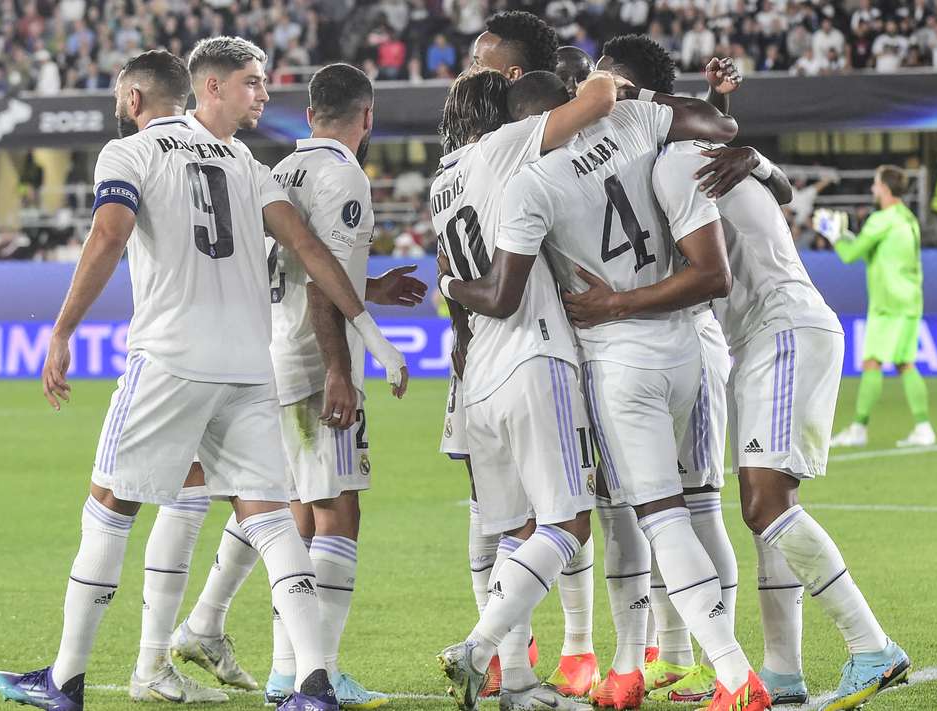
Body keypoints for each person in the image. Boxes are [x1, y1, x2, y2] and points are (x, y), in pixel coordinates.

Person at [0, 44, 408, 711]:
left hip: (170, 360)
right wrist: (374, 336)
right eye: (253, 83)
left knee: (109, 508)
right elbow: (307, 247)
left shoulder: (128, 153)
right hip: (249, 367)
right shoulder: (246, 164)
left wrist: (62, 329)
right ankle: (312, 684)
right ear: (195, 91)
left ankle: (65, 679)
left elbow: (109, 236)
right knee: (271, 520)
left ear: (132, 100)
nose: (261, 94)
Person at [500, 44, 773, 711]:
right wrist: (639, 97)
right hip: (683, 343)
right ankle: (645, 661)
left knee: (662, 516)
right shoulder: (632, 123)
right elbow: (714, 124)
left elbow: (507, 290)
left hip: (619, 358)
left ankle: (733, 674)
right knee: (682, 508)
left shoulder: (529, 180)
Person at [158, 63, 426, 709]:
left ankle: (271, 661)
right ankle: (317, 671)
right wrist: (339, 369)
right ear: (368, 117)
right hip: (312, 367)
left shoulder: (281, 171)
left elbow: (300, 271)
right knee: (336, 512)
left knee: (293, 512)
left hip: (271, 355)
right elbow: (319, 288)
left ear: (309, 116)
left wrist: (370, 287)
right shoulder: (344, 175)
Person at [656, 145, 912, 711]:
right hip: (766, 337)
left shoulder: (680, 164)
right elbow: (783, 189)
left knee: (765, 505)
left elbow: (711, 276)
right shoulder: (723, 159)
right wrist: (760, 161)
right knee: (767, 513)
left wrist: (615, 303)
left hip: (781, 330)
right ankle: (782, 670)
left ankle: (872, 646)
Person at [433, 66, 620, 711]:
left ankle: (515, 682)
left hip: (478, 376)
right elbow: (597, 101)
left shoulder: (442, 180)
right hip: (533, 359)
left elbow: (452, 280)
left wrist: (448, 293)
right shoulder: (505, 147)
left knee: (514, 532)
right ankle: (477, 648)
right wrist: (605, 81)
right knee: (568, 522)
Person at [822, 166, 935, 448]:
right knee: (904, 363)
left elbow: (850, 255)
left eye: (875, 184)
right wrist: (845, 234)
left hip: (888, 304)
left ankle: (859, 429)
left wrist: (833, 235)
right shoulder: (906, 217)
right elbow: (870, 250)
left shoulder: (881, 219)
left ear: (884, 187)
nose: (872, 189)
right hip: (910, 300)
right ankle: (923, 427)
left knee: (872, 361)